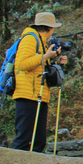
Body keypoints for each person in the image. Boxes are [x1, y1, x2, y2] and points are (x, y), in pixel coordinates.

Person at [12, 12, 68, 152]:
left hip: (39, 95)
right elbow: (22, 65)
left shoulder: (42, 42)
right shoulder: (30, 39)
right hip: (27, 95)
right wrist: (44, 57)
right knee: (24, 138)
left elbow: (42, 70)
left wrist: (57, 63)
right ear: (50, 28)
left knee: (39, 140)